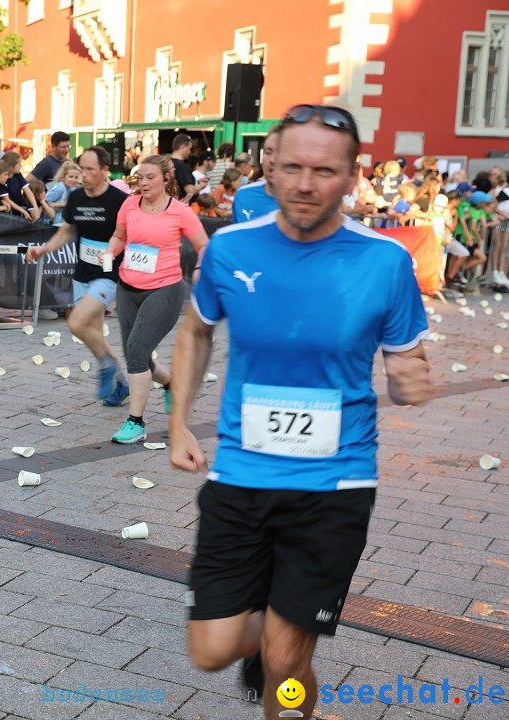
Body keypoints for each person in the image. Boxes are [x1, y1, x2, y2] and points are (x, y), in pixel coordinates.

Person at [169, 104, 431, 720]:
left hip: (333, 483)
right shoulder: (231, 250)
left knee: (286, 669)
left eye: (323, 171)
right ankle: (278, 620)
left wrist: (409, 382)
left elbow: (407, 364)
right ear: (269, 168)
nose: (305, 184)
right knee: (210, 653)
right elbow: (195, 330)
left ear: (351, 176)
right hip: (239, 474)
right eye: (291, 167)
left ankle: (295, 699)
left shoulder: (385, 261)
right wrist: (179, 420)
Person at [102, 155, 209, 442]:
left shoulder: (180, 212)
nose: (145, 182)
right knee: (137, 355)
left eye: (151, 177)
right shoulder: (129, 205)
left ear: (165, 179)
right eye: (141, 176)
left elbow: (204, 245)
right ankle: (172, 384)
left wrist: (199, 268)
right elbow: (119, 236)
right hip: (128, 288)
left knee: (136, 350)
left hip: (164, 289)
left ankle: (136, 423)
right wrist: (110, 251)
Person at [26, 146, 131, 405]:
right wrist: (44, 249)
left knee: (76, 322)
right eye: (81, 168)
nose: (83, 175)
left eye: (90, 170)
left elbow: (131, 236)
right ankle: (122, 381)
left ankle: (106, 367)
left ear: (105, 171)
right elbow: (66, 231)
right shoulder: (76, 198)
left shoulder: (120, 200)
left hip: (108, 273)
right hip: (82, 273)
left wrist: (115, 253)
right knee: (92, 332)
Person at [232, 125, 282, 222]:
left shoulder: (304, 202)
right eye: (268, 152)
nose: (272, 160)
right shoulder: (243, 195)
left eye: (280, 153)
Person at [2, 151, 40, 220]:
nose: (21, 166)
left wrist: (36, 207)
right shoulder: (3, 179)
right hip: (8, 213)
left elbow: (28, 191)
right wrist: (23, 211)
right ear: (11, 167)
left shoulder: (18, 175)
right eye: (19, 164)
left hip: (18, 208)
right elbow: (7, 199)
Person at [169, 134, 206, 203]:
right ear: (183, 147)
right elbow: (190, 190)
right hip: (183, 206)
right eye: (189, 148)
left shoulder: (168, 163)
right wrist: (201, 186)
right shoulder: (182, 166)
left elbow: (180, 181)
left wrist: (197, 180)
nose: (189, 152)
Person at [44, 160, 81, 226]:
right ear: (63, 177)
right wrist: (62, 204)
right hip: (51, 224)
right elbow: (44, 203)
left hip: (62, 222)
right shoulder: (60, 187)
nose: (74, 180)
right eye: (71, 177)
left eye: (76, 177)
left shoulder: (72, 188)